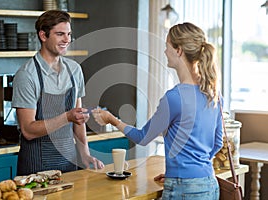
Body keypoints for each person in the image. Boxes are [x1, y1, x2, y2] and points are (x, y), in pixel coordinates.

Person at [92, 22, 223, 199]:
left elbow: (143, 137)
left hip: (185, 188)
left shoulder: (175, 97)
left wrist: (112, 119)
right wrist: (182, 173)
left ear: (178, 51)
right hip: (209, 183)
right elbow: (217, 143)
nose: (164, 52)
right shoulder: (214, 94)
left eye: (167, 46)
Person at [12, 10, 104, 176]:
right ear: (43, 35)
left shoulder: (74, 70)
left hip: (69, 164)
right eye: (60, 34)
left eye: (69, 34)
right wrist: (67, 117)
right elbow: (28, 130)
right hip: (36, 168)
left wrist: (85, 154)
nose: (67, 40)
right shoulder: (27, 75)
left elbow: (79, 119)